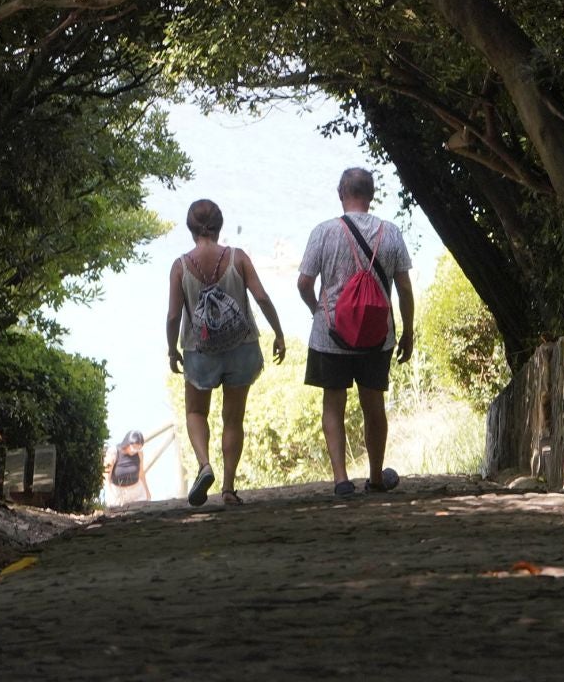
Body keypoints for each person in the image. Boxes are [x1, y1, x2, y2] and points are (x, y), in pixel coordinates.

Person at [296, 167, 415, 497]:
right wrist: (407, 330)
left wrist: (317, 310)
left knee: (333, 402)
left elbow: (304, 283)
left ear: (340, 193)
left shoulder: (323, 232)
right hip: (377, 336)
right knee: (373, 403)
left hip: (330, 335)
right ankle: (376, 477)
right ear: (372, 195)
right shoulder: (390, 233)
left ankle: (341, 481)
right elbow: (404, 288)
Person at [166, 199, 286, 506]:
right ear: (219, 226)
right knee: (233, 418)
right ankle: (229, 488)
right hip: (241, 346)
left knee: (195, 411)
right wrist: (278, 332)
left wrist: (171, 350)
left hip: (199, 349)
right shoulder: (238, 257)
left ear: (191, 229)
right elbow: (261, 297)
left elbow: (172, 317)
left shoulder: (180, 266)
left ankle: (205, 465)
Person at [105, 429, 151, 506]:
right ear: (127, 443)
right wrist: (109, 495)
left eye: (138, 448)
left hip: (137, 492)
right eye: (134, 447)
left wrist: (147, 491)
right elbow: (106, 477)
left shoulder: (139, 453)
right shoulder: (113, 452)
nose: (135, 450)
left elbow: (141, 474)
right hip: (117, 493)